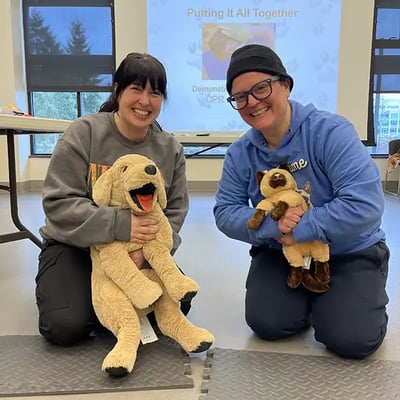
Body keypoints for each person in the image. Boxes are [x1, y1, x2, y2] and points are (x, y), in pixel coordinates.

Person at [214, 44, 389, 359]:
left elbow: (365, 203)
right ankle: (311, 299)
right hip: (282, 252)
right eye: (240, 97)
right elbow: (225, 212)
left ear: (285, 84)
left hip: (348, 250)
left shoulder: (330, 132)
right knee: (268, 324)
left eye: (260, 88)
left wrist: (302, 227)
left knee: (352, 340)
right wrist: (273, 225)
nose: (251, 102)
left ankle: (354, 290)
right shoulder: (240, 153)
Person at [35, 52, 191, 346]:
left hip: (140, 251)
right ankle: (95, 304)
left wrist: (144, 252)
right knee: (65, 326)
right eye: (136, 89)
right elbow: (59, 204)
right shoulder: (84, 133)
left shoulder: (170, 150)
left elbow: (175, 211)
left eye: (154, 93)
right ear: (118, 90)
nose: (145, 101)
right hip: (75, 247)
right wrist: (119, 226)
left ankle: (110, 308)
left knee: (178, 306)